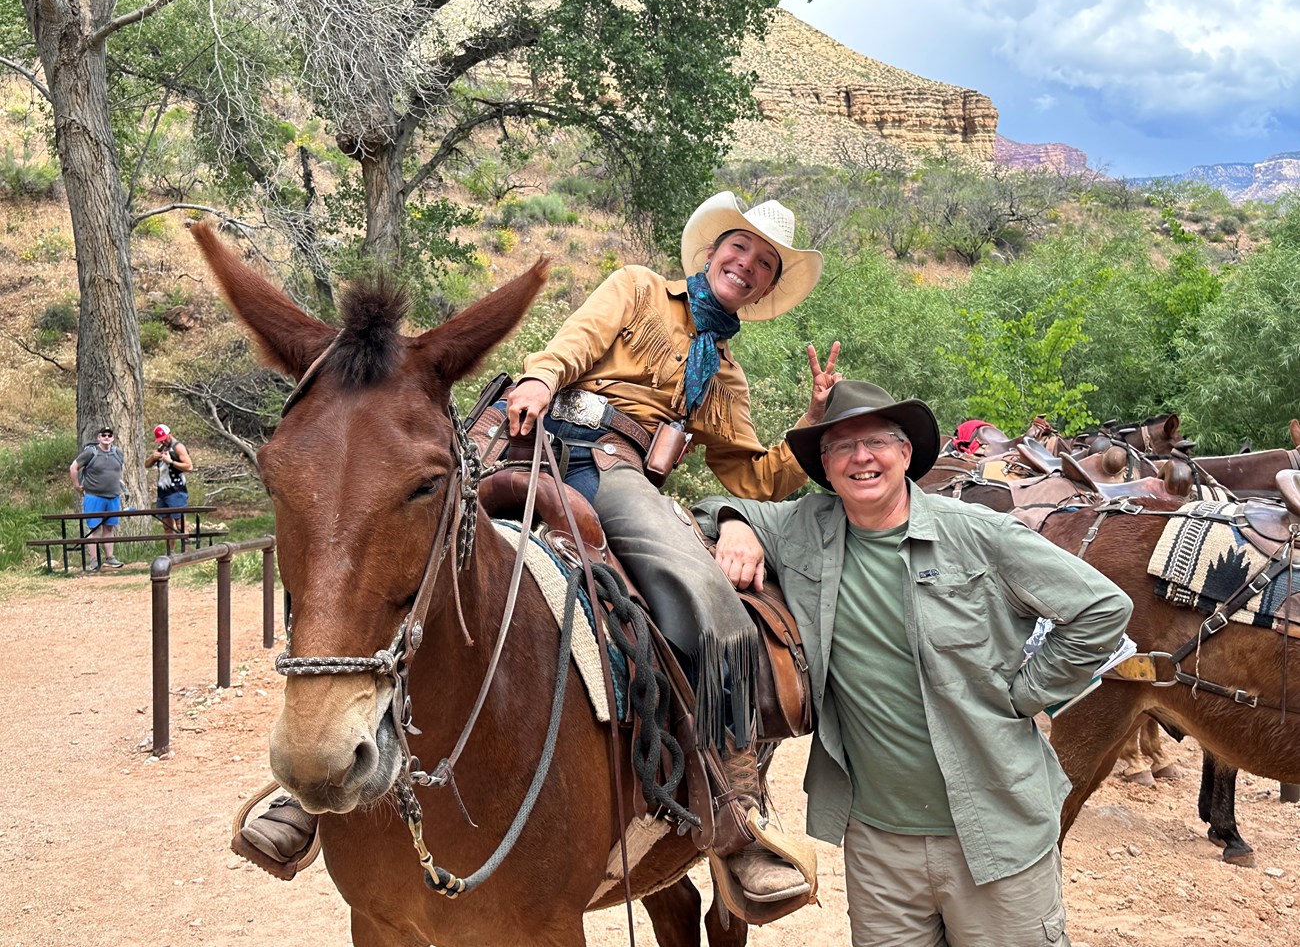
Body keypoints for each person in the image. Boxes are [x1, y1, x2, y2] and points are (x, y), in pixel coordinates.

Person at [238, 191, 840, 904]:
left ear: (767, 286)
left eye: (765, 262)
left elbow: (750, 473)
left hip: (621, 477)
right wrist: (541, 377)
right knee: (388, 547)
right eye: (739, 248)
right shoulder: (641, 288)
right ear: (713, 253)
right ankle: (310, 787)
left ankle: (733, 811)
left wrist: (811, 425)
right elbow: (577, 339)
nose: (748, 263)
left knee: (710, 601)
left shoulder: (725, 378)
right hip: (538, 436)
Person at [693, 381, 1133, 946]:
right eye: (841, 448)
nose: (861, 458)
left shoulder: (977, 533)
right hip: (879, 847)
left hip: (996, 834)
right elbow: (709, 507)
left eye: (876, 441)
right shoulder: (802, 528)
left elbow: (1102, 608)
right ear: (825, 468)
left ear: (905, 452)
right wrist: (736, 525)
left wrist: (1026, 693)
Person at [69, 427, 125, 571]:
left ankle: (110, 558)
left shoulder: (118, 453)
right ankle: (93, 560)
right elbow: (74, 467)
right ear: (99, 438)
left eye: (109, 435)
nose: (107, 437)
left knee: (109, 528)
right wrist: (76, 485)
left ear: (113, 438)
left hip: (113, 496)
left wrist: (120, 483)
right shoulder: (90, 453)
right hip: (94, 496)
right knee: (94, 529)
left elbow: (117, 471)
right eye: (103, 435)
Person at [146, 424, 193, 552]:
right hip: (162, 492)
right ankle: (169, 552)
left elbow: (189, 467)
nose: (163, 441)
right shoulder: (161, 448)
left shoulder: (178, 447)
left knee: (180, 523)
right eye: (160, 439)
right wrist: (153, 457)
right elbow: (147, 464)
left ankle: (186, 551)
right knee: (167, 525)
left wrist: (171, 462)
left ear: (170, 434)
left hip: (176, 491)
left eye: (164, 438)